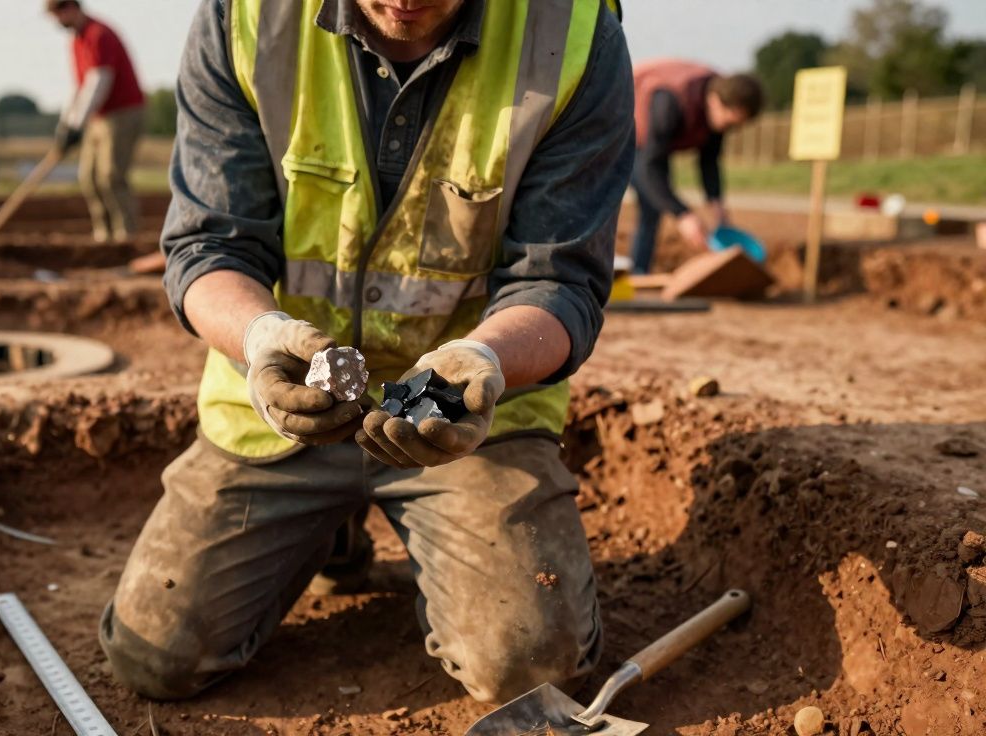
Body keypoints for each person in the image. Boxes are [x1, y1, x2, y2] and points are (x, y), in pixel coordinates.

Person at [101, 0, 634, 706]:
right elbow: (209, 246)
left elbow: (560, 280)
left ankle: (393, 517)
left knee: (525, 662)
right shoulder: (248, 18)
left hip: (463, 415)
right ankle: (327, 530)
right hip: (282, 405)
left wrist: (483, 362)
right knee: (155, 656)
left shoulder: (567, 31)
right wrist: (261, 339)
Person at [627, 60, 763, 274]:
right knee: (648, 203)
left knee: (655, 202)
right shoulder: (671, 102)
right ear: (715, 101)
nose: (729, 130)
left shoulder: (718, 106)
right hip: (624, 131)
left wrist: (716, 205)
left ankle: (638, 272)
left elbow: (709, 160)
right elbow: (650, 168)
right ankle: (629, 273)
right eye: (729, 124)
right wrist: (684, 215)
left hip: (654, 146)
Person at [47, 0, 146, 243]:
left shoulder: (98, 34)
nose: (56, 21)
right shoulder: (77, 41)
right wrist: (67, 123)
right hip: (98, 117)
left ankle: (126, 237)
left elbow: (99, 82)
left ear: (70, 8)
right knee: (89, 177)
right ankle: (104, 236)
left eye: (56, 15)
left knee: (111, 176)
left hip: (123, 113)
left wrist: (77, 123)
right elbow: (79, 86)